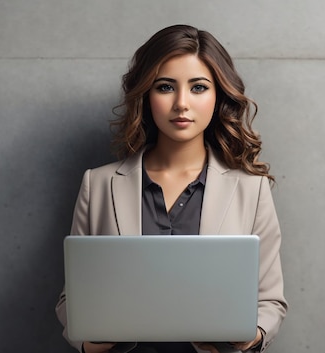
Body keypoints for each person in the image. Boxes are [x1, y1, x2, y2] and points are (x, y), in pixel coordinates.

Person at [56, 24, 287, 353]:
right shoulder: (99, 184)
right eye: (165, 87)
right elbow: (71, 299)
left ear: (218, 96)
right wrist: (93, 342)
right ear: (146, 95)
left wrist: (249, 335)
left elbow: (270, 301)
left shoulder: (251, 190)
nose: (181, 103)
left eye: (198, 87)